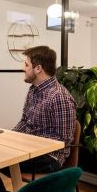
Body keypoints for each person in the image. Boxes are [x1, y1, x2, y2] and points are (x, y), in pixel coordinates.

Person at [14, 45, 76, 173]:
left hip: (50, 157)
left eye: (26, 65)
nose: (22, 69)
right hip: (31, 149)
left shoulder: (60, 97)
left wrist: (31, 143)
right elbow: (24, 122)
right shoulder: (33, 90)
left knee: (0, 160)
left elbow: (63, 140)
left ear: (38, 68)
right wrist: (10, 137)